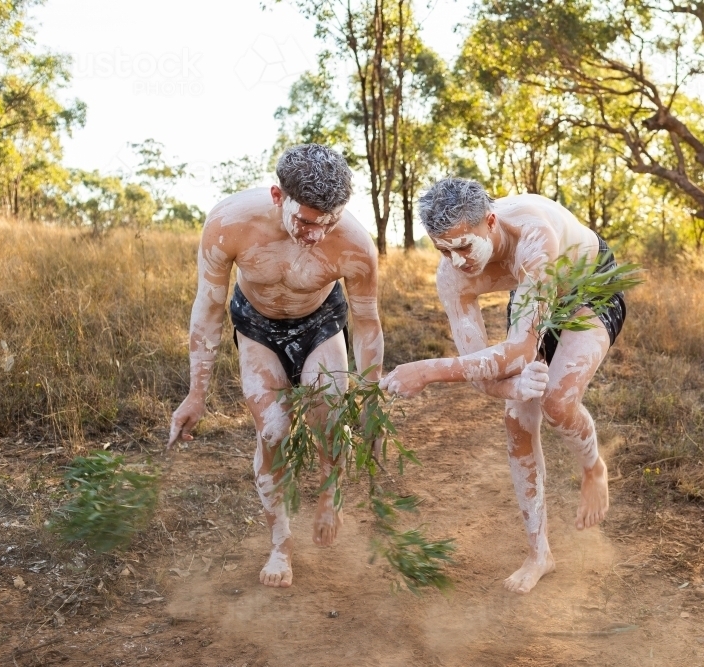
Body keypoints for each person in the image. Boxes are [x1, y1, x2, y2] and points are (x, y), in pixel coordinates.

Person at [379, 178, 626, 594]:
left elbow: (516, 352)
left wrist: (426, 370)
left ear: (490, 221)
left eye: (462, 246)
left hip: (587, 287)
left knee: (558, 403)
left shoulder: (533, 236)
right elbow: (487, 375)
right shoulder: (452, 277)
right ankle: (539, 553)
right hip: (536, 295)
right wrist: (512, 390)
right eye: (443, 250)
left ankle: (594, 468)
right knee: (517, 421)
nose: (456, 261)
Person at [167, 144, 383, 589]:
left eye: (327, 223)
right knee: (274, 430)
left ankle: (329, 494)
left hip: (322, 323)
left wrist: (371, 398)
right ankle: (280, 545)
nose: (313, 236)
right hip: (256, 325)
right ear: (277, 196)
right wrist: (196, 394)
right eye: (304, 221)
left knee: (329, 411)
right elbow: (207, 309)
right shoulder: (230, 224)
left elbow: (366, 324)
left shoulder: (356, 245)